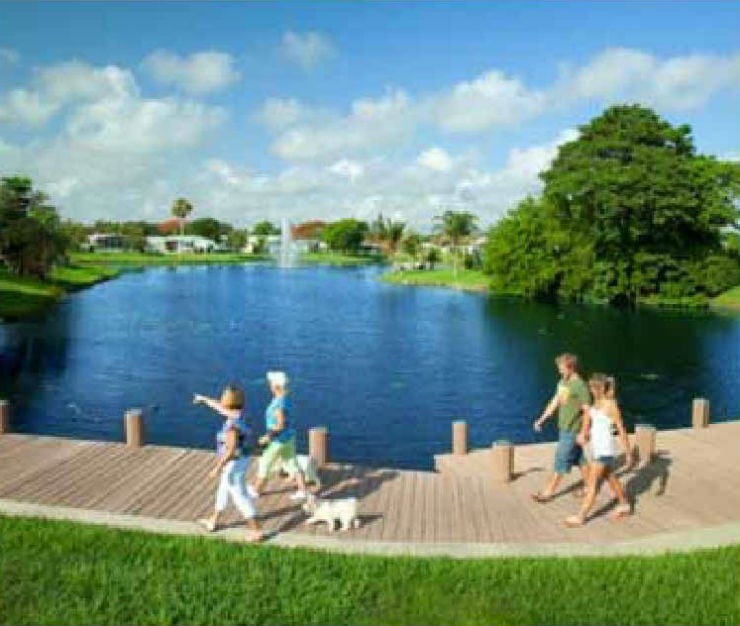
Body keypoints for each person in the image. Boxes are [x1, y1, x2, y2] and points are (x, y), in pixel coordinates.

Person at [193, 384, 264, 542]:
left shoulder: (232, 426)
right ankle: (213, 521)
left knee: (240, 496)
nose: (220, 399)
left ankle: (257, 530)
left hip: (233, 464)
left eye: (223, 397)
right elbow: (219, 407)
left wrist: (217, 468)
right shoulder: (240, 414)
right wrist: (203, 399)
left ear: (229, 401)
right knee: (223, 490)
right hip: (241, 460)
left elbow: (230, 450)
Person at [565, 373, 632, 526]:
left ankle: (581, 517)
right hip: (596, 447)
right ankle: (624, 504)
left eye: (594, 387)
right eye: (590, 387)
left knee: (592, 483)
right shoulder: (596, 402)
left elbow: (621, 429)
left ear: (600, 388)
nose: (591, 390)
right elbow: (594, 424)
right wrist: (584, 434)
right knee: (610, 477)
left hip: (605, 449)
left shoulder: (611, 405)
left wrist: (628, 453)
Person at [532, 353, 591, 503]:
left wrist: (584, 432)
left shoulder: (580, 386)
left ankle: (547, 493)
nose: (559, 371)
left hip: (573, 430)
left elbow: (587, 411)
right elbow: (555, 401)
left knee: (561, 459)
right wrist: (541, 419)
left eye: (562, 368)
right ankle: (590, 487)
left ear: (571, 368)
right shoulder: (563, 382)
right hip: (563, 428)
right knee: (579, 459)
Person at [248, 371, 307, 501]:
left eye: (270, 384)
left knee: (265, 463)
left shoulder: (278, 405)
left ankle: (257, 490)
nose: (269, 386)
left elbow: (279, 425)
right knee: (292, 463)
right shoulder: (285, 399)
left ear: (275, 387)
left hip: (277, 440)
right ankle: (303, 490)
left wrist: (267, 436)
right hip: (288, 438)